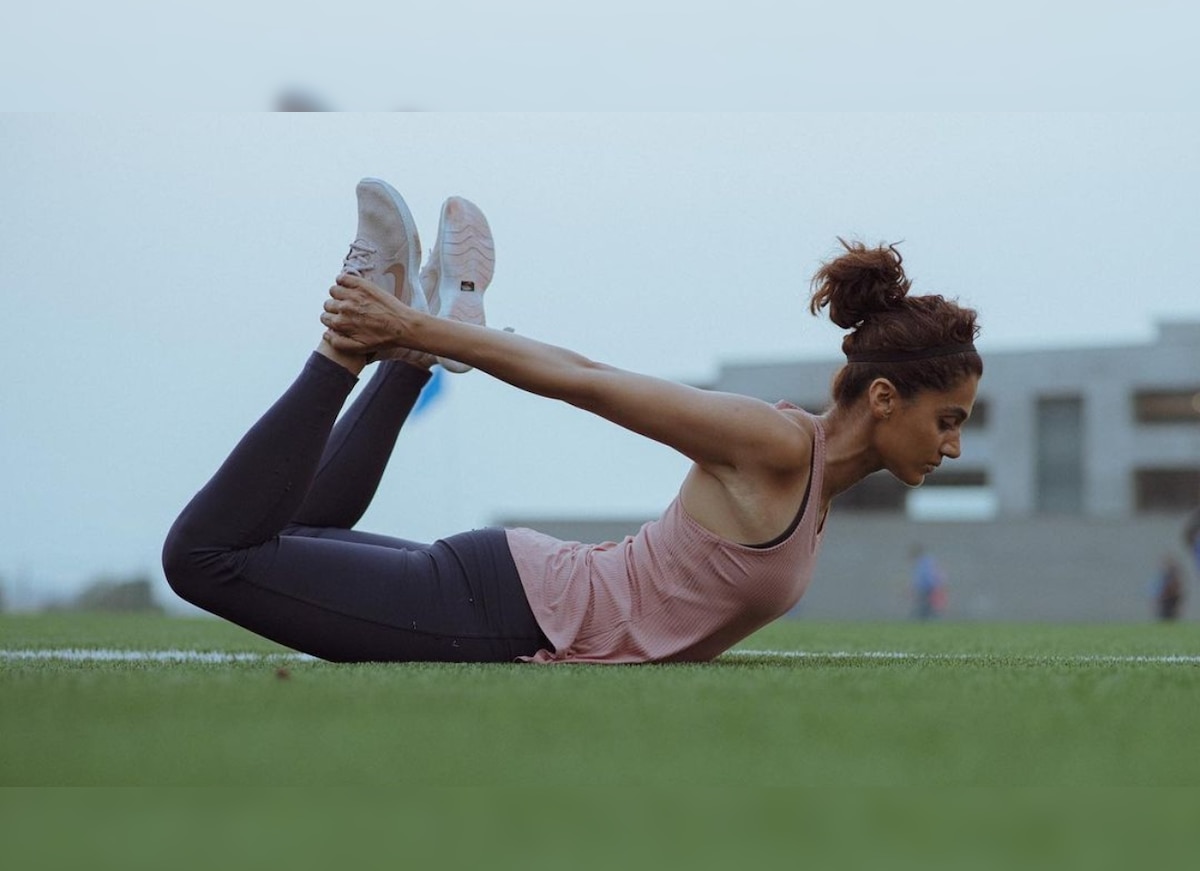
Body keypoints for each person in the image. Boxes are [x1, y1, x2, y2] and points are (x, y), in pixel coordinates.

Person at [162, 178, 982, 664]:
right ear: (883, 401)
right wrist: (410, 330)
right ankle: (354, 341)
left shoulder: (822, 487)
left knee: (291, 527)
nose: (953, 443)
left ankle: (410, 345)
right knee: (202, 557)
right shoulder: (773, 445)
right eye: (947, 419)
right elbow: (589, 382)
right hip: (499, 611)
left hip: (517, 595)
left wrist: (426, 338)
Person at [909, 544, 947, 620]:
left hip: (927, 588)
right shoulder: (922, 561)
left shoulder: (925, 561)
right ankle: (928, 619)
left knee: (925, 606)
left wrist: (935, 586)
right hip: (925, 588)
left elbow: (928, 575)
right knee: (926, 606)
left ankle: (924, 620)